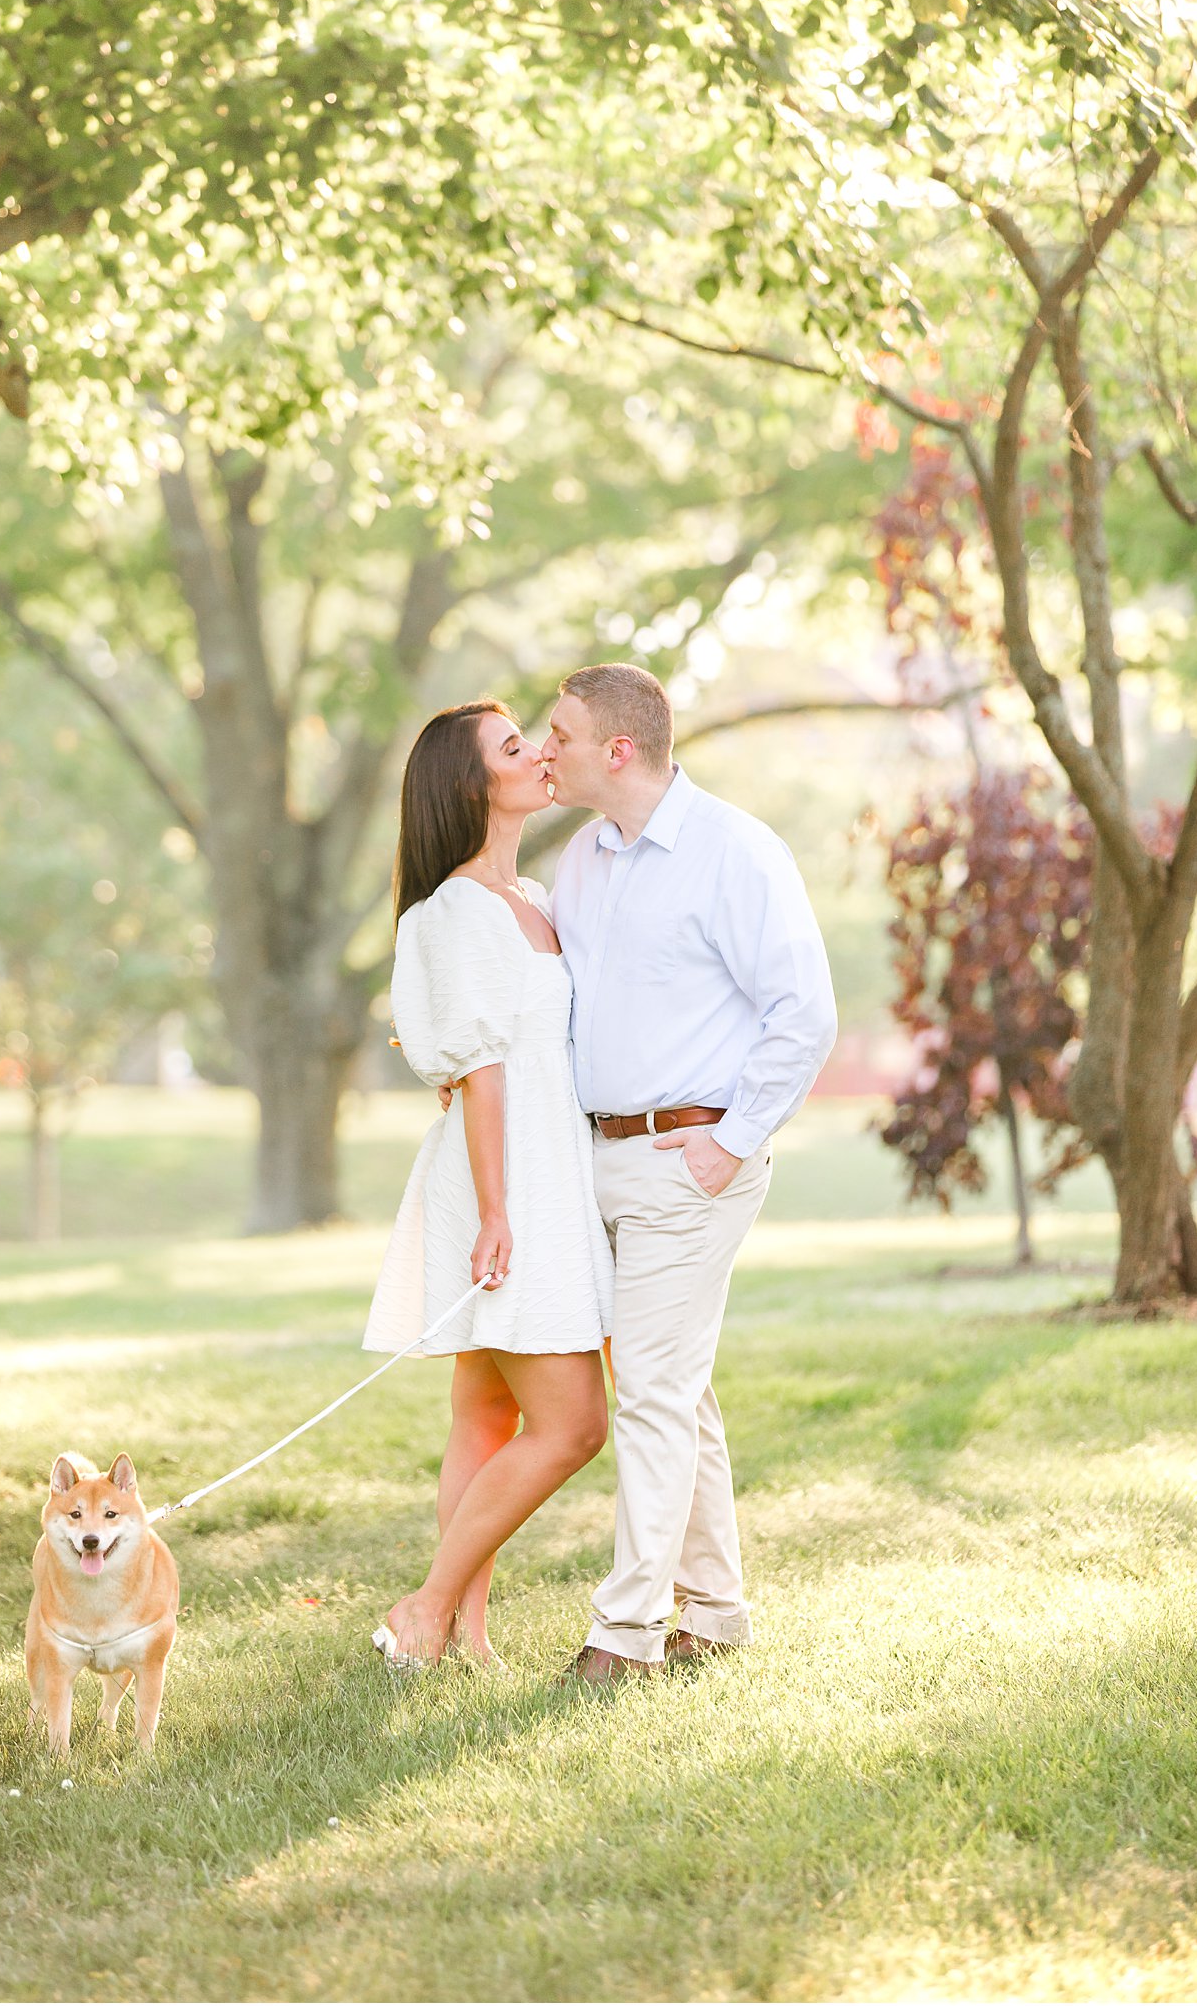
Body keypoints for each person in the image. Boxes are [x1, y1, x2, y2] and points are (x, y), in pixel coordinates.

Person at [539, 663, 836, 1683]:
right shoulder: (580, 861)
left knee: (653, 1395)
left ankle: (623, 1635)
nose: (547, 750)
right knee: (675, 1389)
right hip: (600, 1158)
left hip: (690, 1161)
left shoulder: (734, 853)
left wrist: (730, 1139)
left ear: (614, 750)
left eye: (560, 734)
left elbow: (804, 1013)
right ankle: (713, 1612)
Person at [364, 700, 614, 1671]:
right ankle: (426, 1610)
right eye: (516, 748)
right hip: (505, 1187)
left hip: (547, 1174)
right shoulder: (456, 912)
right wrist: (499, 1210)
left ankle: (461, 1637)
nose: (540, 754)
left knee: (486, 1414)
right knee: (573, 1425)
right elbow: (479, 1070)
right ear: (474, 785)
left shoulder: (539, 900)